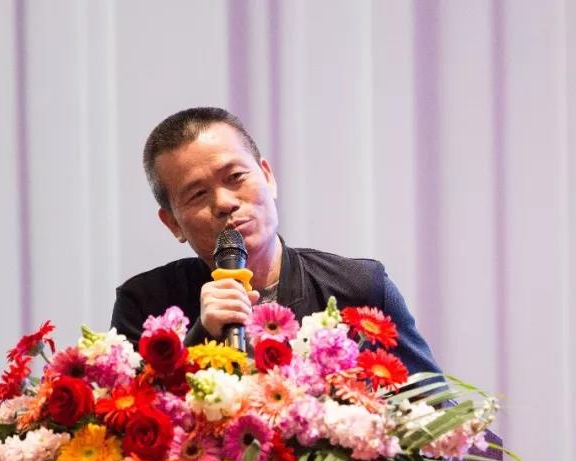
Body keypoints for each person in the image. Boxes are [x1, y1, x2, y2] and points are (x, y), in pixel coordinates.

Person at [110, 106, 440, 376]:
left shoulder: (360, 288)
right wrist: (199, 337)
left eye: (235, 177)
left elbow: (438, 414)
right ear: (173, 224)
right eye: (197, 194)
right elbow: (126, 422)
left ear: (268, 177)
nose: (224, 202)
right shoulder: (145, 305)